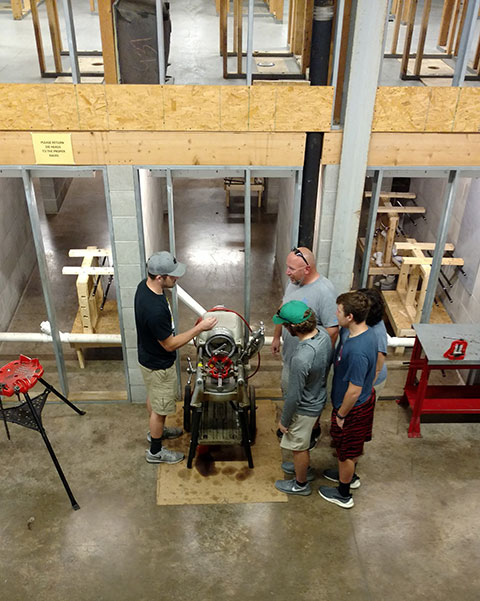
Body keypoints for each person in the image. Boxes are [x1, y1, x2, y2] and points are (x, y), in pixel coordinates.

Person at [135, 251, 217, 464]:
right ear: (159, 277)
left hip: (147, 358)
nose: (176, 277)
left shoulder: (144, 287)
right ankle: (155, 451)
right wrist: (199, 328)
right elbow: (170, 344)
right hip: (159, 365)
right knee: (160, 409)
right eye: (172, 275)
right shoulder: (154, 310)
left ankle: (157, 431)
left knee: (154, 398)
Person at [271, 247, 338, 445]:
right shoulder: (294, 281)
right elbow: (283, 308)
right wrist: (277, 336)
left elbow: (332, 330)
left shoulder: (325, 291)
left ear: (307, 269)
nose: (287, 272)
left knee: (308, 399)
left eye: (291, 269)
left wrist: (320, 362)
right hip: (291, 356)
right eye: (287, 267)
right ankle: (291, 423)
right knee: (290, 391)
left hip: (308, 361)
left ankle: (311, 430)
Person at [318, 291, 377, 509]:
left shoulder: (358, 351)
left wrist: (341, 414)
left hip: (353, 408)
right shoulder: (358, 332)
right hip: (358, 402)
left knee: (346, 453)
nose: (336, 314)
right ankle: (348, 476)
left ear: (350, 317)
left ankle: (343, 494)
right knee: (351, 447)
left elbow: (354, 390)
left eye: (339, 311)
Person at [272, 300, 333, 496]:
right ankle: (302, 469)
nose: (283, 328)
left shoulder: (301, 358)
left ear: (292, 327)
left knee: (298, 447)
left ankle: (300, 484)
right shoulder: (323, 335)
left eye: (284, 325)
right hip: (318, 396)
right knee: (302, 442)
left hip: (304, 407)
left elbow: (294, 395)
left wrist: (284, 421)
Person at [359, 287, 388, 398]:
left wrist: (364, 392)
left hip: (370, 381)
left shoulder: (377, 334)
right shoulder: (359, 322)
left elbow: (377, 369)